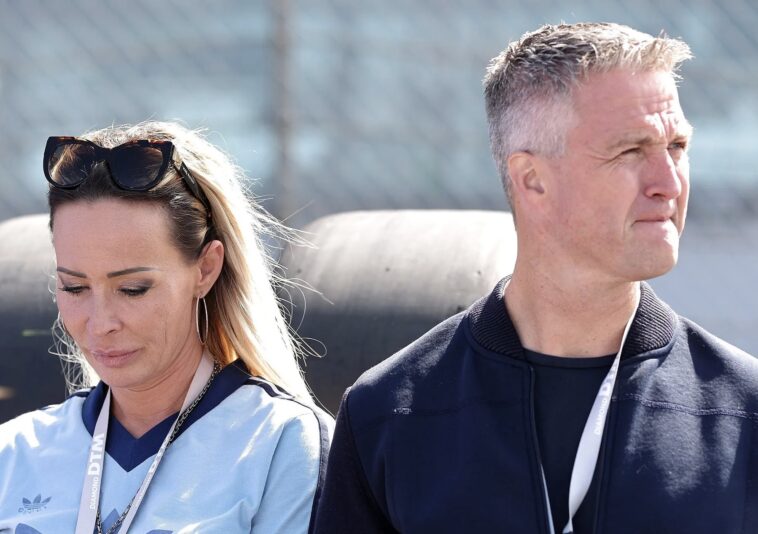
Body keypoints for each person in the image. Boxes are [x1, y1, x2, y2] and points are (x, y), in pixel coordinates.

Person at [313, 22, 758, 533]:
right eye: (631, 151)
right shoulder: (389, 414)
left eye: (677, 146)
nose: (669, 182)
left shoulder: (745, 412)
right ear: (532, 180)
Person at [0, 121, 333, 533]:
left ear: (206, 269)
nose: (101, 324)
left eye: (133, 289)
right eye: (74, 287)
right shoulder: (14, 452)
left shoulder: (282, 443)